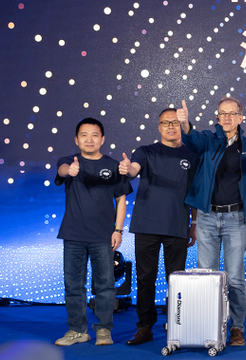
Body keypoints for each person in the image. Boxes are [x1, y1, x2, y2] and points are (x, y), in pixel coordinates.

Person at [178, 96, 246, 347]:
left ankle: (237, 327)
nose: (226, 117)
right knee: (207, 275)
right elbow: (192, 138)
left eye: (232, 113)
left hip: (236, 218)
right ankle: (210, 324)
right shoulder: (208, 140)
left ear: (240, 117)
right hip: (206, 217)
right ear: (217, 118)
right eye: (222, 114)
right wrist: (185, 125)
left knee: (235, 277)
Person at [118, 109, 197, 346]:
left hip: (177, 225)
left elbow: (194, 191)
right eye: (166, 123)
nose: (171, 126)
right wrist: (127, 169)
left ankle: (177, 325)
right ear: (159, 126)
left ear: (182, 125)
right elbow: (134, 169)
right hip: (147, 225)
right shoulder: (145, 151)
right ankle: (145, 327)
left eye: (175, 122)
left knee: (177, 280)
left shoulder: (192, 154)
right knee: (145, 279)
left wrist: (194, 223)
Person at [53, 118, 133, 347]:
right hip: (73, 234)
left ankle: (104, 329)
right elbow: (62, 170)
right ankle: (78, 330)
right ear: (77, 139)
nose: (89, 139)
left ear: (103, 139)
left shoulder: (113, 165)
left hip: (103, 235)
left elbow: (121, 200)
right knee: (74, 285)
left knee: (105, 285)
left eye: (95, 135)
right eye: (84, 135)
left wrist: (118, 230)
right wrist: (70, 170)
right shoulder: (69, 162)